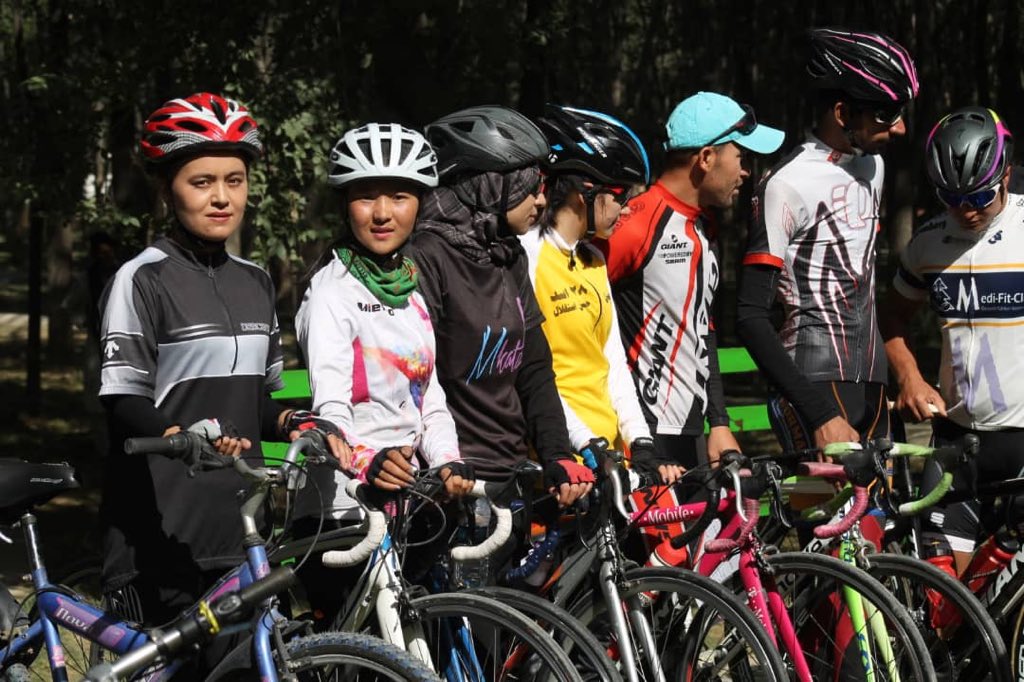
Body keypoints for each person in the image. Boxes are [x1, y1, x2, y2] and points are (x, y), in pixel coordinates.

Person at [97, 93, 347, 628]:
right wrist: (179, 433)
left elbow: (255, 399)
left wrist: (293, 419)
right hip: (160, 535)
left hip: (244, 534)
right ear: (167, 190)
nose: (221, 198)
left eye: (234, 180)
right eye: (202, 182)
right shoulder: (141, 279)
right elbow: (122, 399)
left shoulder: (256, 281)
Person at [293, 122, 474, 626]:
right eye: (365, 196)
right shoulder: (331, 293)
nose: (381, 213)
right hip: (343, 513)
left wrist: (447, 461)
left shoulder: (410, 291)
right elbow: (330, 411)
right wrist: (368, 463)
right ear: (344, 203)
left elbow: (428, 396)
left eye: (398, 196)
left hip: (407, 503)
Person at [736, 28, 920, 453]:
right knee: (829, 520)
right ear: (842, 113)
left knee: (884, 519)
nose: (900, 128)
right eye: (885, 115)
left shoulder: (874, 166)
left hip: (872, 386)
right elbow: (749, 316)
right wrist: (817, 413)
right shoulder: (784, 183)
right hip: (812, 387)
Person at [407, 105, 594, 507]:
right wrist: (445, 463)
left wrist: (557, 453)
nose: (542, 201)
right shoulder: (427, 256)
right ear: (489, 184)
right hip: (452, 481)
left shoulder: (509, 255)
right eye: (530, 186)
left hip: (512, 474)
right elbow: (420, 380)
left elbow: (535, 367)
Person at [595, 92, 784, 470]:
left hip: (692, 433)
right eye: (740, 157)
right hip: (640, 436)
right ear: (706, 158)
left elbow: (703, 332)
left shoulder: (703, 227)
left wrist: (719, 422)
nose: (745, 171)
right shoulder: (635, 224)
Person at [882, 106, 1024, 573]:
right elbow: (893, 317)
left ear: (1004, 171)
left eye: (979, 195)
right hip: (956, 445)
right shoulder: (927, 244)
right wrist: (909, 377)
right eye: (951, 197)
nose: (966, 210)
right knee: (945, 611)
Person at [520, 104, 680, 484]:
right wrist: (585, 441)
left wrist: (640, 440)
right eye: (621, 195)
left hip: (605, 454)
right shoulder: (528, 254)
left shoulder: (592, 260)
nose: (626, 209)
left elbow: (612, 363)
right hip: (558, 456)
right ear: (584, 192)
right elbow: (531, 373)